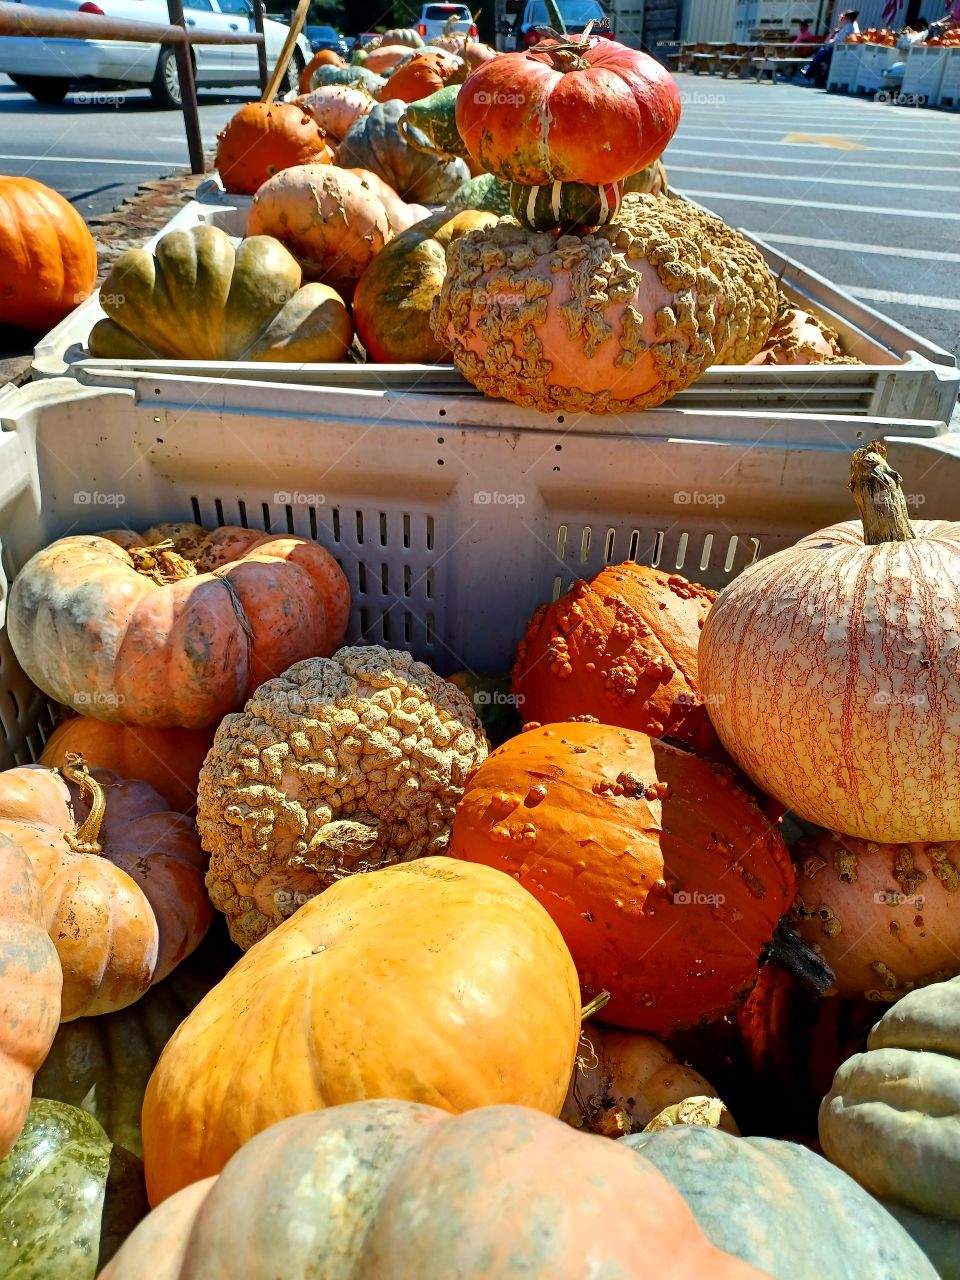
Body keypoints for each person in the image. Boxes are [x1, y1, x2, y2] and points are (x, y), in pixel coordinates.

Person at [803, 10, 860, 87]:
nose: (842, 20)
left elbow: (839, 40)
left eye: (844, 18)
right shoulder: (847, 27)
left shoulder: (849, 27)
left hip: (837, 50)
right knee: (821, 52)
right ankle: (811, 73)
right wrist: (832, 35)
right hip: (835, 48)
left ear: (847, 18)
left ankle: (809, 73)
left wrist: (829, 42)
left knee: (821, 52)